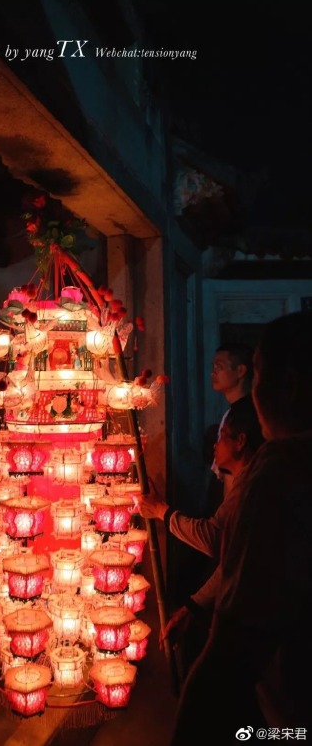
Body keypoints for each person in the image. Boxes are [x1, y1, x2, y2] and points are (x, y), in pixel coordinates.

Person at [168, 311, 312, 745]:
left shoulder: (281, 471)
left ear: (285, 384)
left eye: (261, 376)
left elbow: (234, 643)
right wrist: (195, 604)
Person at [141, 395, 265, 664]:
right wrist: (193, 606)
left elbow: (214, 538)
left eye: (222, 436)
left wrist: (162, 511)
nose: (215, 444)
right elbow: (232, 559)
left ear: (240, 442)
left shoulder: (253, 488)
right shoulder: (244, 483)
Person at [209, 342, 254, 496]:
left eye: (219, 367)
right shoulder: (234, 410)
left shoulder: (245, 414)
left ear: (240, 370)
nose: (213, 373)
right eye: (213, 367)